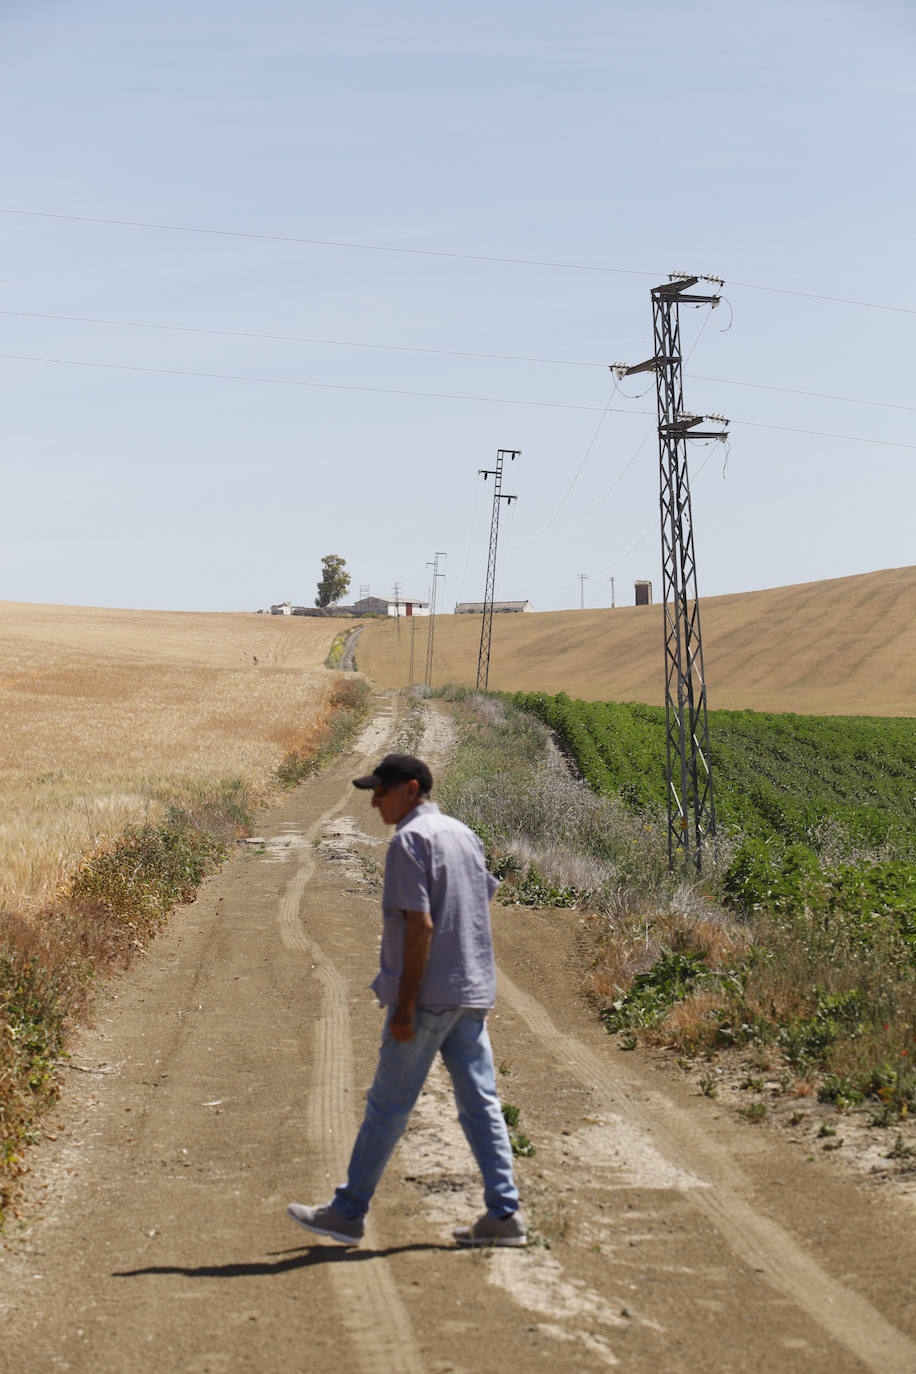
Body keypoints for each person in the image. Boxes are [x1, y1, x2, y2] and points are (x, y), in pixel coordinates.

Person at [288, 752, 525, 1248]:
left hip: (428, 997)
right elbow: (476, 905)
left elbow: (420, 926)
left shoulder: (409, 841)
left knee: (388, 1107)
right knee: (481, 1104)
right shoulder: (464, 835)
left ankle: (348, 1212)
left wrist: (405, 1006)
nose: (374, 802)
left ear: (411, 790)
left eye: (381, 791)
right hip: (472, 991)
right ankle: (505, 1214)